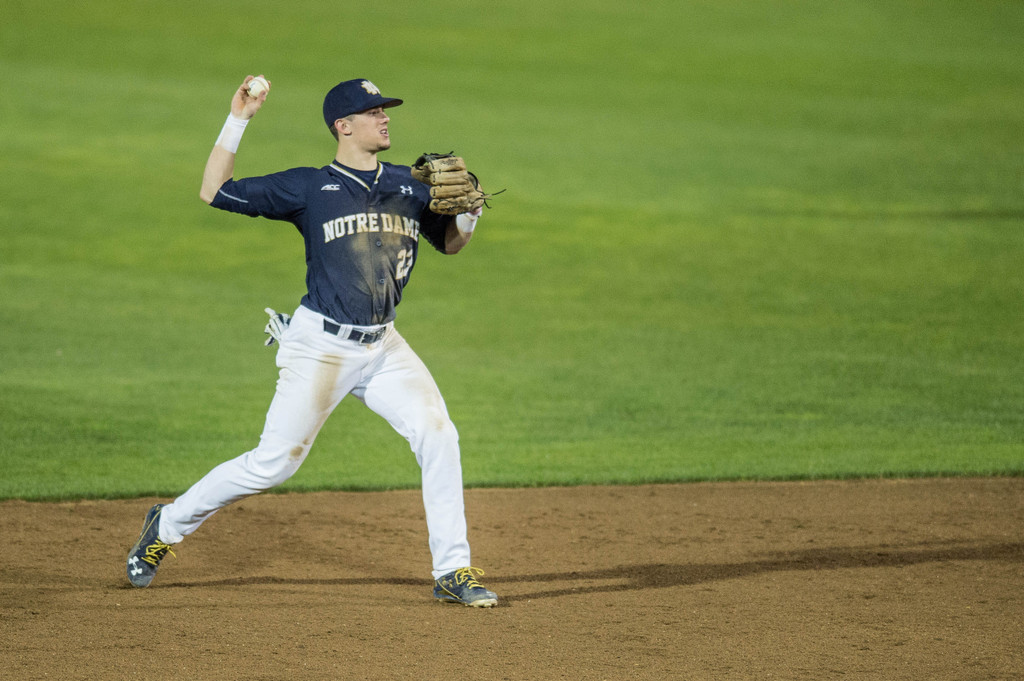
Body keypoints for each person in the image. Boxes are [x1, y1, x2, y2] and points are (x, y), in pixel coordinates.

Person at [125, 75, 498, 607]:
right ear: (343, 127)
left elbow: (451, 244)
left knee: (439, 435)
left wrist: (468, 215)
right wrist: (240, 119)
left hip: (385, 346)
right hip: (320, 347)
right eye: (373, 112)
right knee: (272, 464)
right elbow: (214, 191)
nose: (385, 117)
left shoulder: (410, 185)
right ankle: (167, 523)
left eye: (385, 110)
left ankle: (452, 570)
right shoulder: (307, 187)